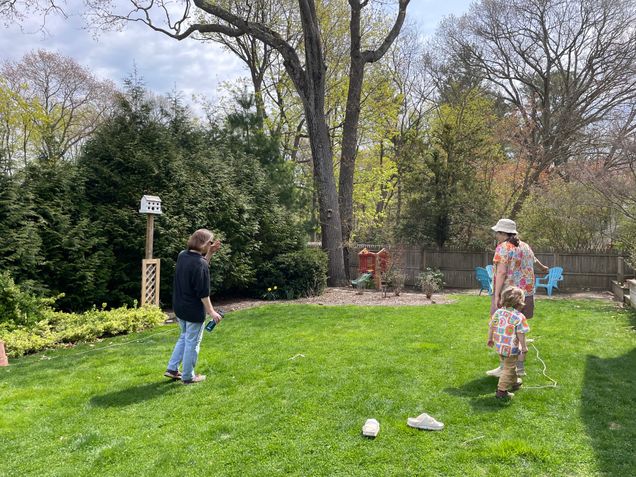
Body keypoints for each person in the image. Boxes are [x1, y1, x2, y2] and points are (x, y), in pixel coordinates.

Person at [486, 218, 548, 377]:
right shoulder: (525, 246)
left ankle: (504, 368)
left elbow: (501, 272)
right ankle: (519, 369)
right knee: (517, 331)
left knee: (504, 331)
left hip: (508, 295)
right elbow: (535, 260)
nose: (496, 235)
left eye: (497, 232)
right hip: (525, 295)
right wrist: (543, 268)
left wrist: (496, 296)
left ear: (503, 233)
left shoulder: (503, 248)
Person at [164, 229, 223, 384]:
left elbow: (200, 268)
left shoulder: (183, 255)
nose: (211, 244)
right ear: (204, 243)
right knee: (192, 342)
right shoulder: (199, 264)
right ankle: (188, 377)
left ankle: (172, 369)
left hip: (180, 307)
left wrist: (210, 253)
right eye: (210, 242)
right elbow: (203, 293)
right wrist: (212, 312)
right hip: (193, 311)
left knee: (184, 337)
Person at [487, 286, 529, 399]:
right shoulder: (519, 317)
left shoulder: (498, 312)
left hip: (499, 346)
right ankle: (501, 391)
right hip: (511, 349)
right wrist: (524, 347)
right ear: (520, 301)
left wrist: (490, 339)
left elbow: (491, 326)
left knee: (509, 365)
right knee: (508, 368)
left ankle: (514, 382)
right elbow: (521, 333)